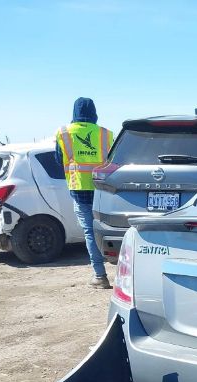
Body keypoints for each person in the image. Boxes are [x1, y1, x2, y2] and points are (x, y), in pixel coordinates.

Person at [55, 98, 113, 288]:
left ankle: (99, 276)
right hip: (103, 187)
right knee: (110, 230)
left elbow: (58, 159)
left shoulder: (64, 133)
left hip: (79, 188)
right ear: (94, 113)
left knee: (89, 232)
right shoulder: (105, 133)